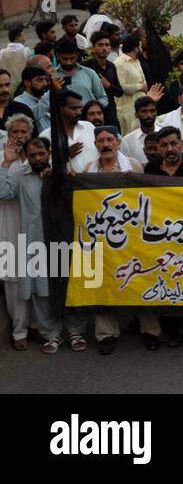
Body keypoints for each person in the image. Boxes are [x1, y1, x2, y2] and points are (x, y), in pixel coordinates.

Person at [1, 137, 89, 353]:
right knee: (41, 291)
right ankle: (51, 334)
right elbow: (3, 192)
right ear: (28, 157)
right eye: (32, 155)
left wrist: (68, 180)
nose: (37, 158)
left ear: (49, 153)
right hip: (35, 244)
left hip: (63, 241)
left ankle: (75, 331)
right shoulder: (20, 177)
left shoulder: (63, 175)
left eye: (41, 154)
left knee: (69, 285)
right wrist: (6, 163)